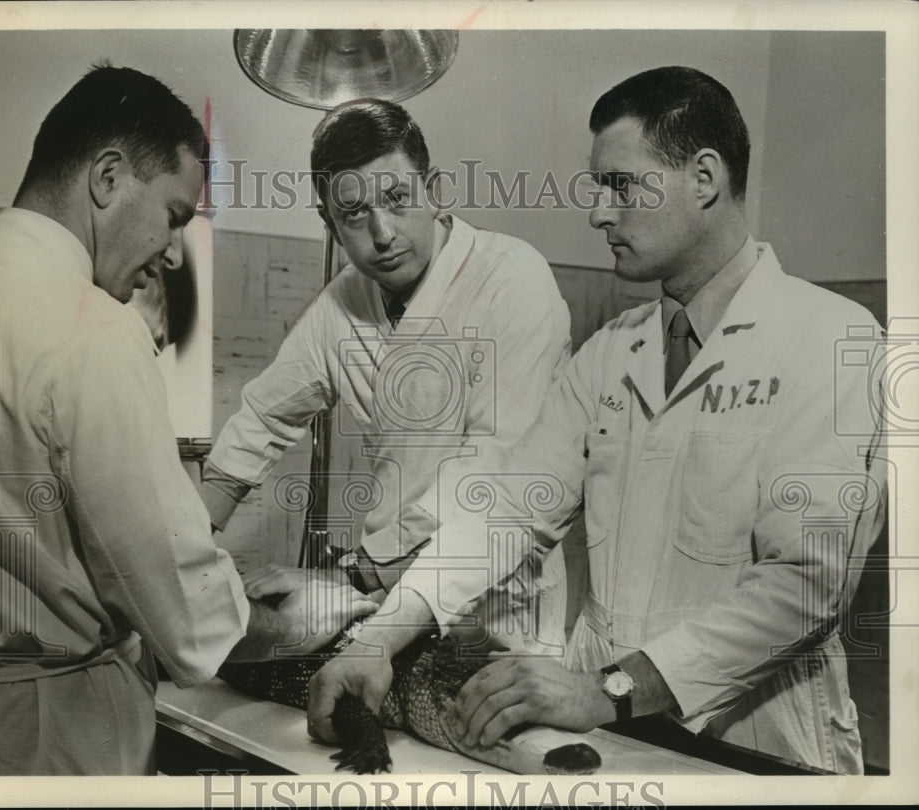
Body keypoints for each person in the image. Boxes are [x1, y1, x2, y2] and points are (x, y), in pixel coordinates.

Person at [306, 66, 887, 774]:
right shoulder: (611, 352)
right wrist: (378, 640)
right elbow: (507, 511)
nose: (599, 214)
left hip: (757, 746)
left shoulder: (829, 337)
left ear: (704, 178)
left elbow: (805, 589)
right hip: (610, 736)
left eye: (620, 186)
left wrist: (608, 689)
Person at [0, 63, 375, 776]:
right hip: (55, 731)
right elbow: (186, 615)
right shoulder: (91, 330)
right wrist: (300, 618)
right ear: (108, 177)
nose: (172, 253)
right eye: (174, 216)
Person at [202, 99, 572, 655]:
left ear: (434, 190)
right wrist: (183, 556)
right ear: (330, 224)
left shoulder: (512, 279)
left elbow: (494, 471)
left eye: (398, 200)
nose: (382, 234)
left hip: (496, 607)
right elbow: (260, 421)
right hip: (381, 596)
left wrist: (351, 576)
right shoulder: (343, 303)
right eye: (354, 215)